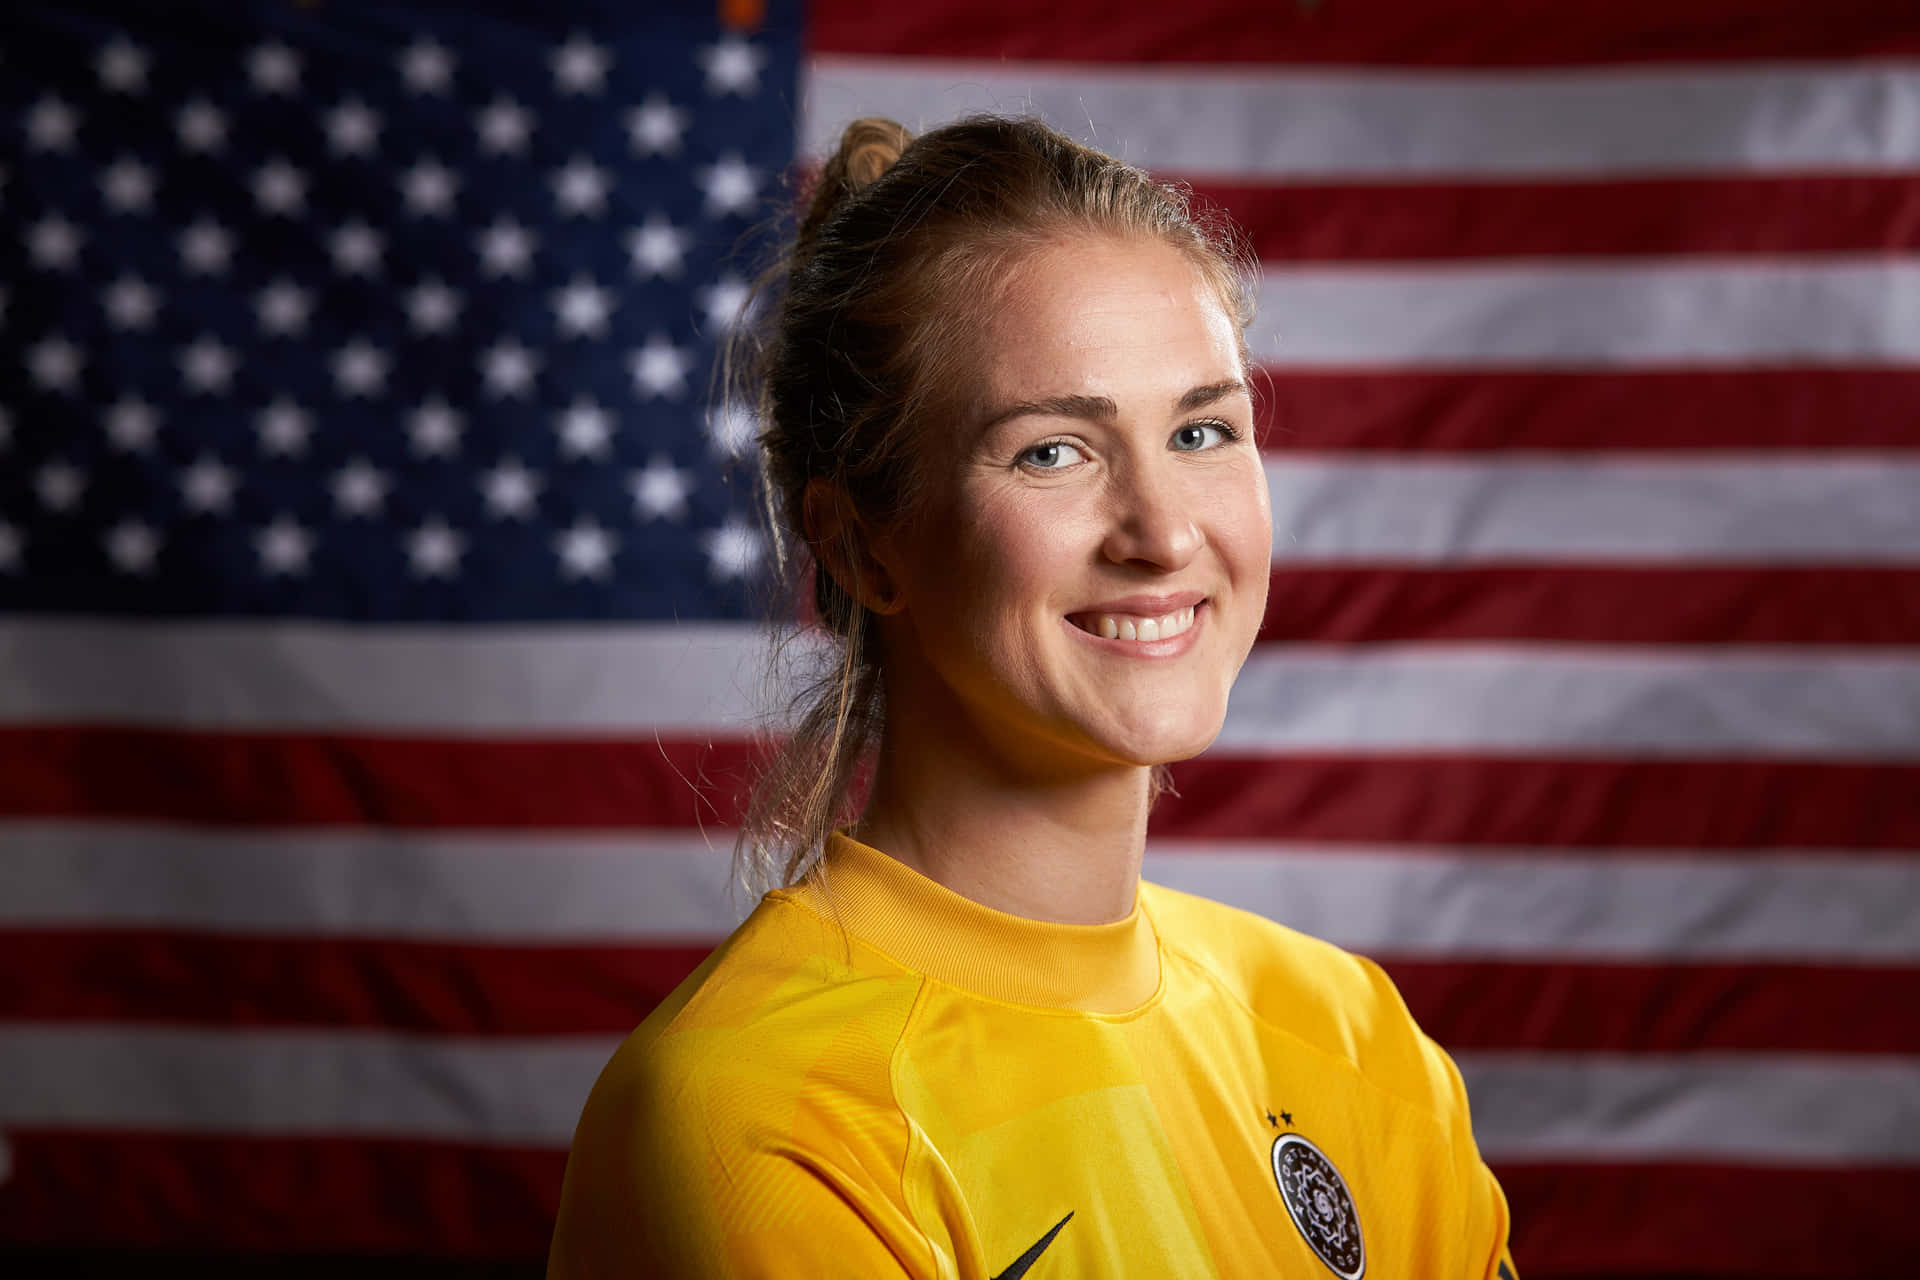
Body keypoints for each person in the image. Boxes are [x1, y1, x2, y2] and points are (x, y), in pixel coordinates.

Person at [547, 114, 1519, 1278]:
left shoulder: (1352, 1034)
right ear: (862, 547)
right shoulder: (758, 1117)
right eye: (1053, 451)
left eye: (1203, 429)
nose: (1164, 534)